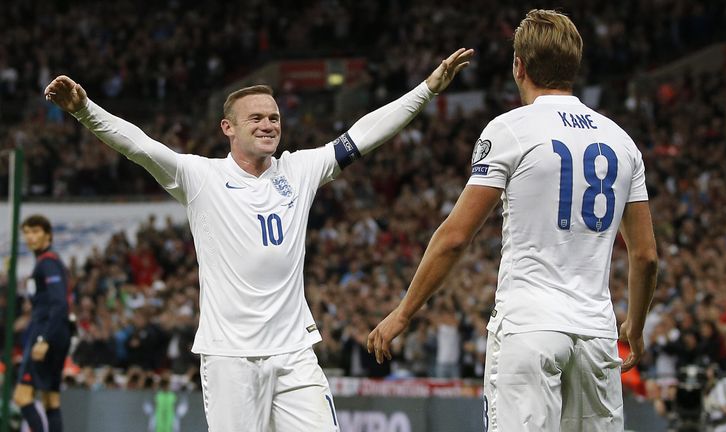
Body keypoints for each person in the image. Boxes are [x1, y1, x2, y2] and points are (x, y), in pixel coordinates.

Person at [43, 47, 473, 431]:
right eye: (256, 118)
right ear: (227, 128)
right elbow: (140, 146)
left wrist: (427, 89)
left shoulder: (299, 170)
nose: (268, 125)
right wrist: (85, 110)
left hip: (295, 352)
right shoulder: (201, 177)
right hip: (231, 357)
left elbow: (364, 135)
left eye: (274, 117)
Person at [367, 9, 658, 432]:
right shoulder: (621, 140)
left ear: (519, 66)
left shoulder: (511, 130)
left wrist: (404, 312)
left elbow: (455, 237)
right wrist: (636, 323)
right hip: (597, 333)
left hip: (530, 326)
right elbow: (646, 256)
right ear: (573, 67)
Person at [13, 215, 71, 432]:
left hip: (46, 332)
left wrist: (44, 339)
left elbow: (60, 303)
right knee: (51, 399)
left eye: (36, 231)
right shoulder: (49, 262)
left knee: (22, 396)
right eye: (27, 232)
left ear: (48, 235)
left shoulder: (47, 263)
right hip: (58, 332)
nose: (30, 237)